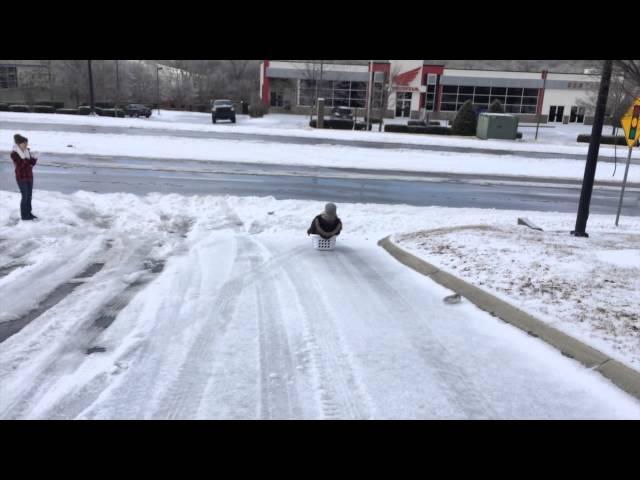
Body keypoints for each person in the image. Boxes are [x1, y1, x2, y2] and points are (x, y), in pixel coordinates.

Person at [11, 134, 38, 221]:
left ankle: (29, 213)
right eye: (24, 143)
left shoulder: (27, 152)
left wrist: (34, 158)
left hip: (29, 176)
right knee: (25, 196)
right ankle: (24, 216)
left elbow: (31, 164)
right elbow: (21, 165)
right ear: (19, 144)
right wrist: (28, 161)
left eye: (26, 143)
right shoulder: (14, 154)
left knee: (29, 196)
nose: (26, 145)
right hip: (21, 177)